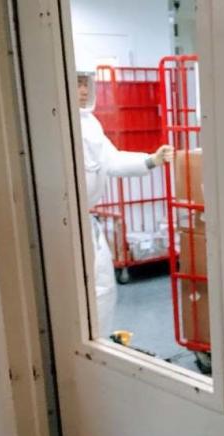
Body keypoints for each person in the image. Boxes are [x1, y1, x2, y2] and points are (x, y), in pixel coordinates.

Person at [77, 71, 174, 337]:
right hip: (63, 224)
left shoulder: (90, 123)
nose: (84, 90)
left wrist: (150, 160)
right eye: (76, 83)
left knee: (103, 288)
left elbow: (111, 160)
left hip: (86, 222)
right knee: (78, 294)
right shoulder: (53, 125)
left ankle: (98, 345)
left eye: (86, 82)